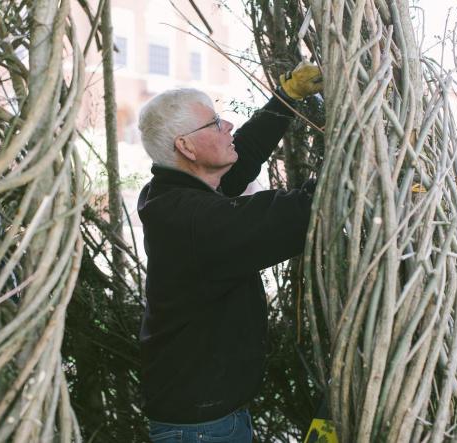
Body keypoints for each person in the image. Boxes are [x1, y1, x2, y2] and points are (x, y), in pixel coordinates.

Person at [137, 62, 322, 442]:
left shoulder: (175, 191)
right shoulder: (191, 220)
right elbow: (292, 216)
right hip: (200, 428)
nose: (228, 127)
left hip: (204, 417)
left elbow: (244, 153)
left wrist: (285, 100)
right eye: (214, 124)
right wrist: (363, 163)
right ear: (185, 146)